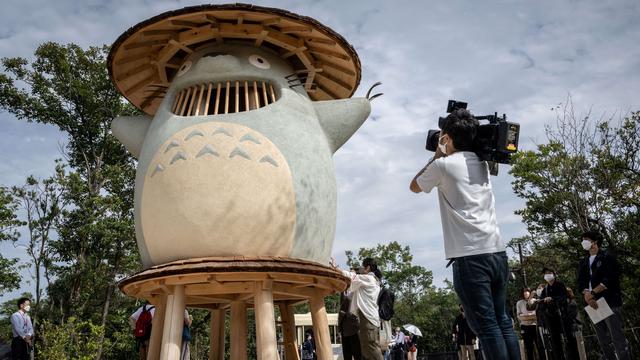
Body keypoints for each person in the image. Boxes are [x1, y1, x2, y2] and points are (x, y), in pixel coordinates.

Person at [410, 108, 520, 360]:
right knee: (502, 321)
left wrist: (439, 151)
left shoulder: (443, 166)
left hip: (470, 258)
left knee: (487, 327)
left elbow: (415, 186)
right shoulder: (483, 162)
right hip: (497, 253)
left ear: (446, 137)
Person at [577, 230, 630, 360]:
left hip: (608, 301)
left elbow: (610, 278)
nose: (583, 242)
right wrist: (587, 296)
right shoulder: (583, 262)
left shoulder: (607, 257)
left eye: (586, 239)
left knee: (617, 337)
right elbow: (580, 282)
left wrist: (593, 292)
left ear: (595, 242)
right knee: (603, 340)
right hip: (592, 303)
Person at [334, 258, 383, 360]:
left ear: (368, 267)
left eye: (362, 266)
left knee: (372, 347)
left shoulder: (369, 278)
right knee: (365, 348)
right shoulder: (370, 280)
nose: (360, 268)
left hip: (368, 319)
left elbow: (352, 276)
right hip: (366, 319)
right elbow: (352, 284)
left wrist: (335, 268)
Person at [539, 267, 578, 360]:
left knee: (569, 339)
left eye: (549, 272)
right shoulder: (545, 289)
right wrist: (543, 302)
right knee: (555, 341)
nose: (547, 275)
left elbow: (563, 297)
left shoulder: (560, 285)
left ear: (554, 274)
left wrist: (552, 298)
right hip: (551, 317)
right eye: (545, 273)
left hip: (563, 316)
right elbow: (541, 303)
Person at [339, 291, 362, 360]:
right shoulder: (343, 293)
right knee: (347, 355)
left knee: (357, 354)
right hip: (344, 330)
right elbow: (341, 311)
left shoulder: (355, 292)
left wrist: (346, 314)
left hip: (354, 329)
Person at [516, 287, 538, 360]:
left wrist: (526, 316)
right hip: (525, 326)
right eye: (524, 291)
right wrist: (529, 316)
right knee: (529, 348)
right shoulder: (519, 303)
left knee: (539, 345)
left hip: (534, 326)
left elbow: (536, 315)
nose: (526, 293)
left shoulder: (535, 301)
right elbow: (519, 316)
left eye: (527, 291)